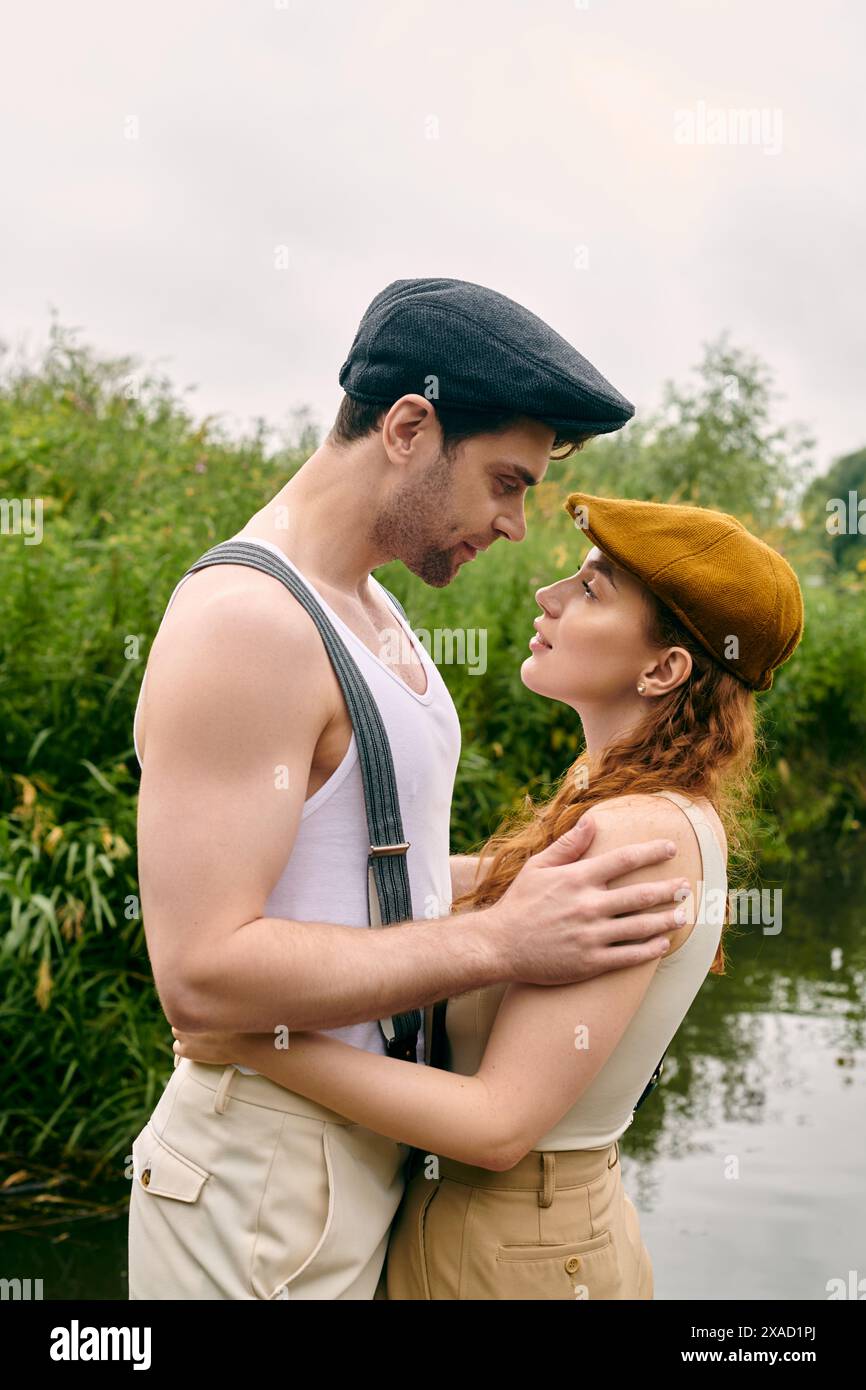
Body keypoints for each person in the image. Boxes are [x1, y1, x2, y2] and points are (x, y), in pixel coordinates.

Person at [127, 279, 686, 1301]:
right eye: (505, 482)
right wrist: (502, 941)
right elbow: (200, 973)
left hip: (361, 1151)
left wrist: (532, 882)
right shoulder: (248, 620)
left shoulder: (371, 605)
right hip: (257, 1175)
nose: (516, 525)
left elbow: (361, 862)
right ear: (408, 426)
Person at [172, 490, 804, 1300]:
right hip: (517, 1235)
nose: (549, 597)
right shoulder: (626, 797)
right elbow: (501, 887)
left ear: (664, 668)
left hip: (510, 1251)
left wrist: (257, 1041)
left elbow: (497, 1125)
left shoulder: (636, 838)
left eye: (592, 589)